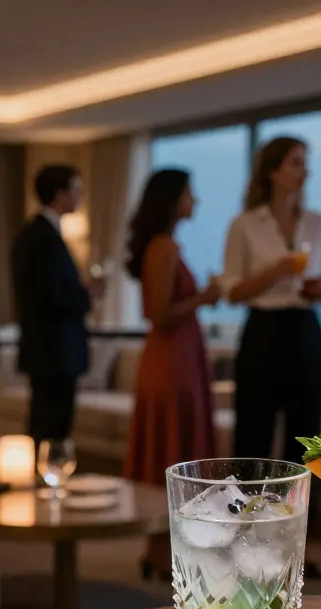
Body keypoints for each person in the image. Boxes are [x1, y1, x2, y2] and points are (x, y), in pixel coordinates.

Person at [222, 136, 321, 549]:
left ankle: (297, 541)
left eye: (305, 162)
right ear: (272, 170)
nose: (305, 171)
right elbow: (232, 290)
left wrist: (320, 289)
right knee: (252, 433)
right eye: (295, 162)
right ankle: (244, 535)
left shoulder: (319, 223)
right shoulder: (244, 224)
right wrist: (276, 271)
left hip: (306, 328)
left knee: (307, 441)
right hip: (263, 330)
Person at [122, 169, 220, 579]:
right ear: (174, 199)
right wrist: (205, 297)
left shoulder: (163, 246)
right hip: (171, 360)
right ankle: (163, 552)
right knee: (172, 451)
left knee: (172, 448)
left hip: (177, 356)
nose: (195, 201)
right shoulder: (162, 247)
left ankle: (161, 551)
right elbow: (159, 313)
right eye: (190, 194)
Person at [11, 165, 104, 448]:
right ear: (59, 194)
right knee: (52, 425)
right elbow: (50, 297)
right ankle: (50, 473)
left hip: (46, 348)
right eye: (76, 190)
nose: (80, 196)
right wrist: (88, 296)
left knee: (45, 421)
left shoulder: (34, 234)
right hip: (55, 349)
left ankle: (45, 471)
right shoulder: (44, 238)